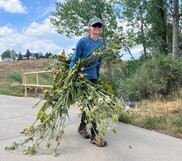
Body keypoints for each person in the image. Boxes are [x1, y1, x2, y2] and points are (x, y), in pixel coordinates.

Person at [69, 16, 107, 147]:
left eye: (99, 26)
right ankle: (94, 136)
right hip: (82, 78)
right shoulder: (83, 42)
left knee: (88, 104)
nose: (97, 28)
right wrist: (71, 75)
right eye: (94, 26)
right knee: (92, 106)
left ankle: (81, 127)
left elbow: (99, 61)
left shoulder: (101, 43)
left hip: (93, 78)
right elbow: (74, 59)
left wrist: (97, 75)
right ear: (89, 27)